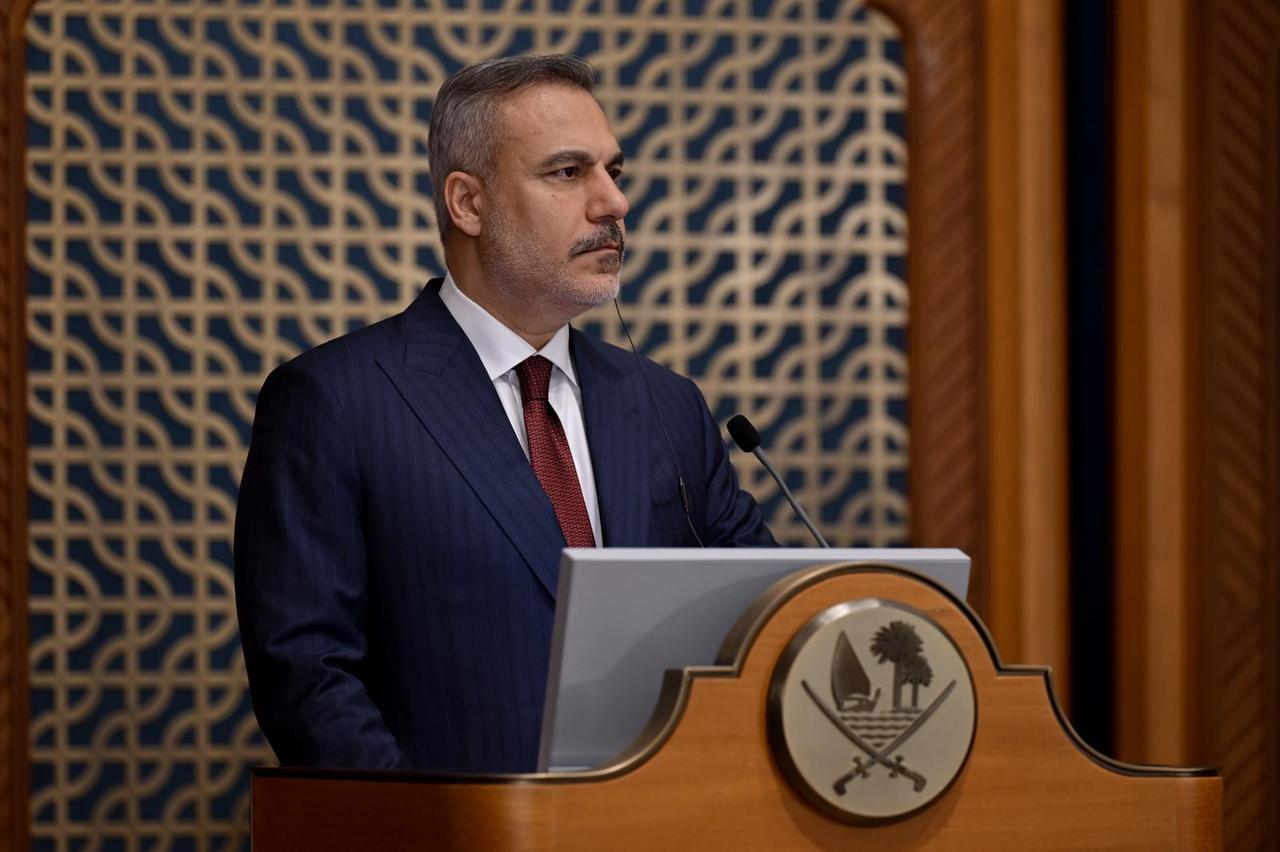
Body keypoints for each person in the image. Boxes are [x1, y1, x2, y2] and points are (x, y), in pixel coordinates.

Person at [234, 54, 775, 774]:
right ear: (468, 204)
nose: (613, 202)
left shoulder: (665, 404)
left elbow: (764, 618)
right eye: (568, 173)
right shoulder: (335, 399)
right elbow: (306, 672)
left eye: (615, 171)